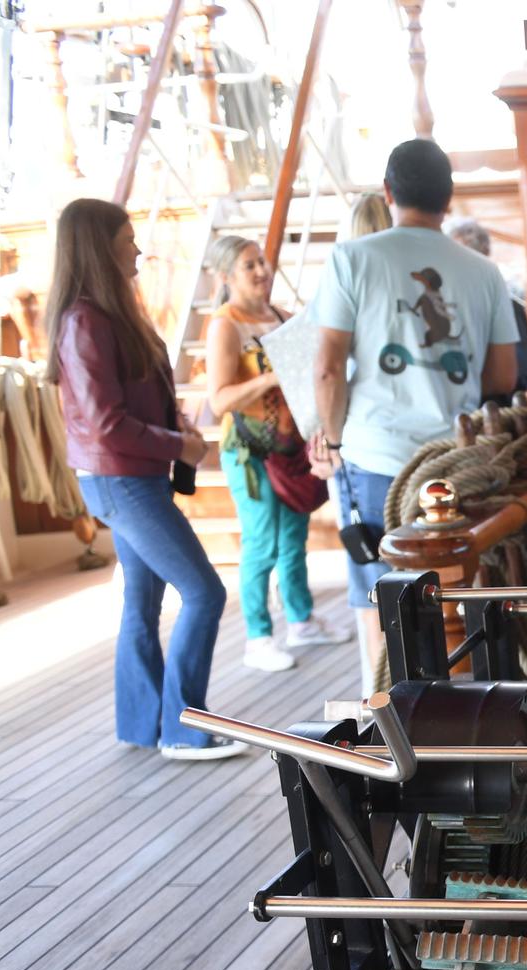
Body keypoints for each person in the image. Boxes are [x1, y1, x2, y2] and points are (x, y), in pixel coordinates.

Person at [308, 139, 519, 686]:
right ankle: (460, 721)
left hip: (376, 460)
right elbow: (501, 379)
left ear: (388, 192)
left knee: (381, 600)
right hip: (456, 464)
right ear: (449, 199)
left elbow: (328, 367)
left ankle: (386, 724)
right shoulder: (484, 273)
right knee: (456, 598)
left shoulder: (352, 258)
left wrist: (330, 440)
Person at [46, 198, 242, 760]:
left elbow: (131, 397)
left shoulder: (109, 313)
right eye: (128, 240)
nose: (138, 248)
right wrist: (181, 444)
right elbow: (107, 426)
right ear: (100, 248)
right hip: (121, 480)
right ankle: (182, 728)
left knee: (143, 600)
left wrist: (173, 423)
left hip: (131, 477)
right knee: (204, 592)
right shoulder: (85, 321)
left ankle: (143, 723)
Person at [201, 234, 349, 672]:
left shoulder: (282, 316)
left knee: (292, 538)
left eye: (262, 262)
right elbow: (220, 400)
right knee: (262, 539)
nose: (262, 271)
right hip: (250, 451)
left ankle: (301, 619)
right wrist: (269, 379)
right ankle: (258, 635)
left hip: (292, 448)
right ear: (227, 276)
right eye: (250, 265)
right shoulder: (225, 325)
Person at [445, 217, 527, 404]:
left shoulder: (509, 307)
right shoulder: (445, 307)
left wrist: (466, 385)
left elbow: (523, 375)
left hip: (493, 415)